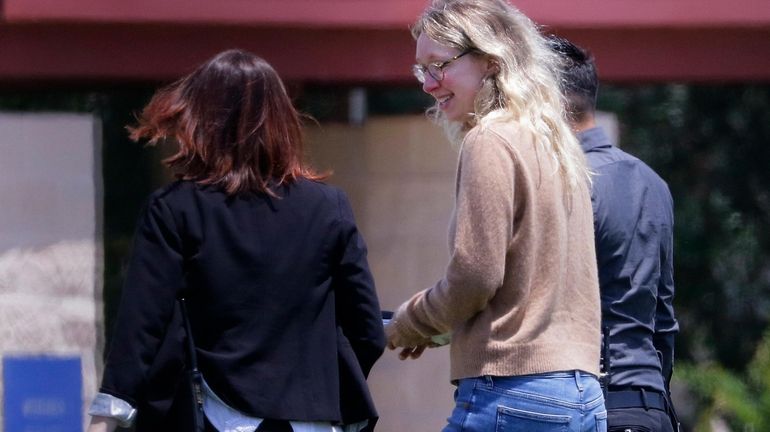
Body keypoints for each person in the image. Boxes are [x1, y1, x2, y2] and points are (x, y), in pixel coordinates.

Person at [86, 49, 386, 432]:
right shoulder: (329, 207)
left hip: (213, 417)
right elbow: (367, 330)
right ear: (283, 120)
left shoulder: (174, 208)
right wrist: (323, 388)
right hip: (311, 420)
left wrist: (106, 417)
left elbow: (140, 328)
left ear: (199, 118)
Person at [384, 1, 606, 430]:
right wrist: (441, 326)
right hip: (583, 397)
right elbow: (526, 291)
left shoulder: (490, 139)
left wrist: (411, 321)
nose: (428, 85)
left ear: (490, 60)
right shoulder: (554, 140)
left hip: (512, 394)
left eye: (439, 65)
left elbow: (476, 276)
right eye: (421, 70)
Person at [548, 35, 680, 431]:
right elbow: (664, 316)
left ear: (547, 102)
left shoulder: (565, 182)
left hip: (591, 402)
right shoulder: (654, 183)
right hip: (651, 403)